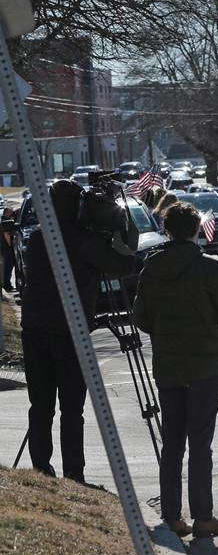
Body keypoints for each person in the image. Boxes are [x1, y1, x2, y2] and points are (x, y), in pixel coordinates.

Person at [133, 202, 218, 538]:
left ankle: (172, 516)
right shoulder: (211, 269)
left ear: (167, 229)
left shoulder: (151, 268)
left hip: (168, 366)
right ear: (197, 229)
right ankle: (203, 517)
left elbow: (141, 318)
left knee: (172, 443)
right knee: (201, 444)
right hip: (205, 366)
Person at [21, 180, 138, 483]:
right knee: (71, 408)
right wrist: (118, 231)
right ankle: (74, 473)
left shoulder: (36, 238)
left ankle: (40, 469)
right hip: (70, 333)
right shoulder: (84, 241)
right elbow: (125, 266)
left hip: (34, 331)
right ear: (79, 207)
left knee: (41, 404)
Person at [2, 206, 17, 294]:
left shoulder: (4, 220)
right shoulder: (6, 221)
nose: (12, 215)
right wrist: (11, 246)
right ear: (7, 213)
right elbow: (7, 235)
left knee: (8, 268)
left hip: (6, 249)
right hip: (7, 249)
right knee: (8, 268)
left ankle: (8, 285)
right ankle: (7, 286)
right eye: (11, 213)